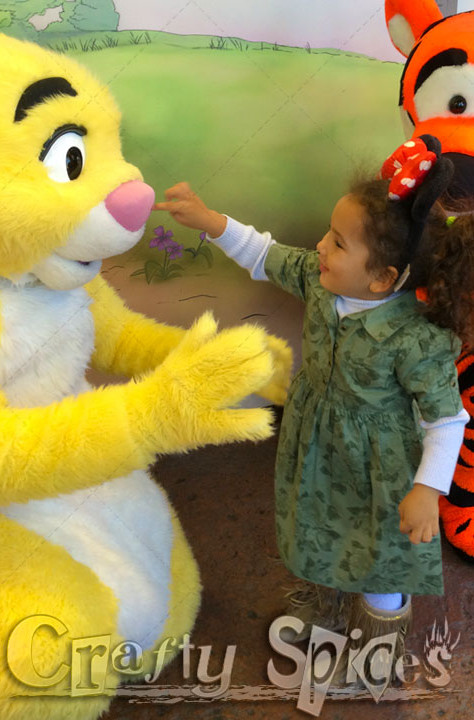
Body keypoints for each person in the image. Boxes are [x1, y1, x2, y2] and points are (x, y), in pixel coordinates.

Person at [154, 136, 472, 682]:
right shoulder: (322, 285)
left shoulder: (416, 340)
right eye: (328, 232)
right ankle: (325, 607)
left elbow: (446, 418)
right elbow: (266, 254)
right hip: (320, 447)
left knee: (376, 556)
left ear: (383, 279)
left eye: (339, 242)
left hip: (382, 468)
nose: (320, 246)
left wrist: (427, 489)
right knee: (321, 528)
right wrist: (211, 221)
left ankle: (377, 654)